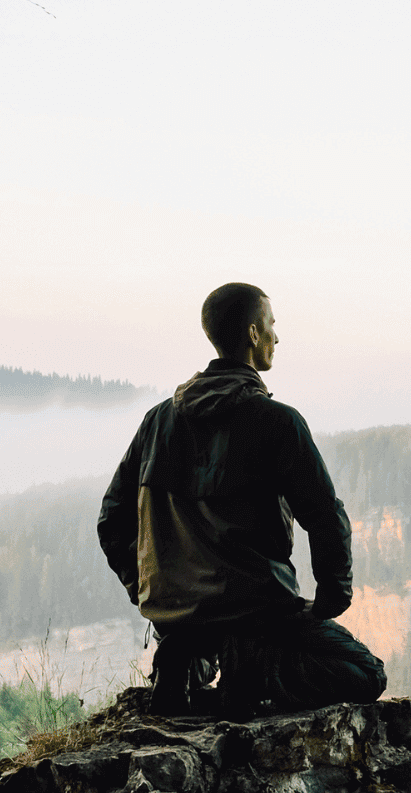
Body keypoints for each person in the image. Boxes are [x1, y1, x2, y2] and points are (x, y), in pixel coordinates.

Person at [97, 282, 387, 716]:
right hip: (257, 610)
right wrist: (331, 599)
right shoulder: (276, 422)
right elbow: (325, 516)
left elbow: (112, 519)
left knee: (195, 640)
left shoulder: (158, 421)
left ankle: (184, 659)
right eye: (271, 325)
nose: (277, 337)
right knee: (367, 674)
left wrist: (150, 594)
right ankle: (253, 674)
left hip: (180, 617)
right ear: (253, 334)